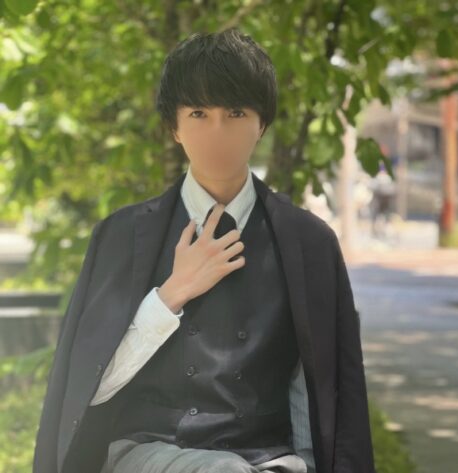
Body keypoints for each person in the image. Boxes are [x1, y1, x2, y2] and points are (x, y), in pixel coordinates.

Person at [32, 28, 375, 473]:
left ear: (262, 124)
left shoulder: (308, 244)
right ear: (174, 127)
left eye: (236, 112)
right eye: (198, 113)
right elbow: (87, 390)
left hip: (266, 461)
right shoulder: (122, 236)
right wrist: (171, 294)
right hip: (148, 453)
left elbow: (316, 389)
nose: (218, 132)